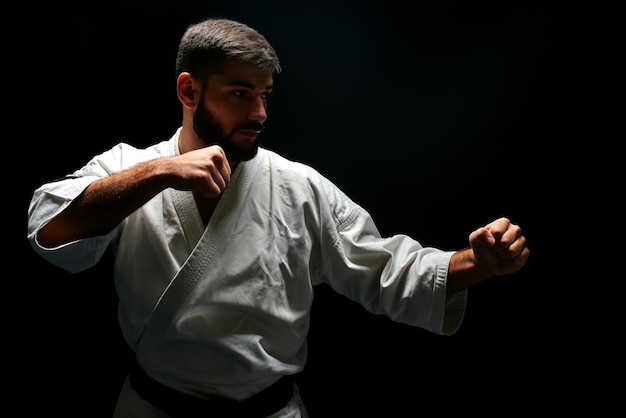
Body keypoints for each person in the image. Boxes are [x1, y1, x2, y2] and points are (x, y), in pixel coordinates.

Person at [26, 17, 530, 418]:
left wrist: (478, 262)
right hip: (155, 407)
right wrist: (159, 173)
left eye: (265, 94)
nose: (261, 114)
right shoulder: (130, 168)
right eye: (241, 93)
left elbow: (386, 268)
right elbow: (48, 227)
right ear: (189, 91)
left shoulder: (298, 186)